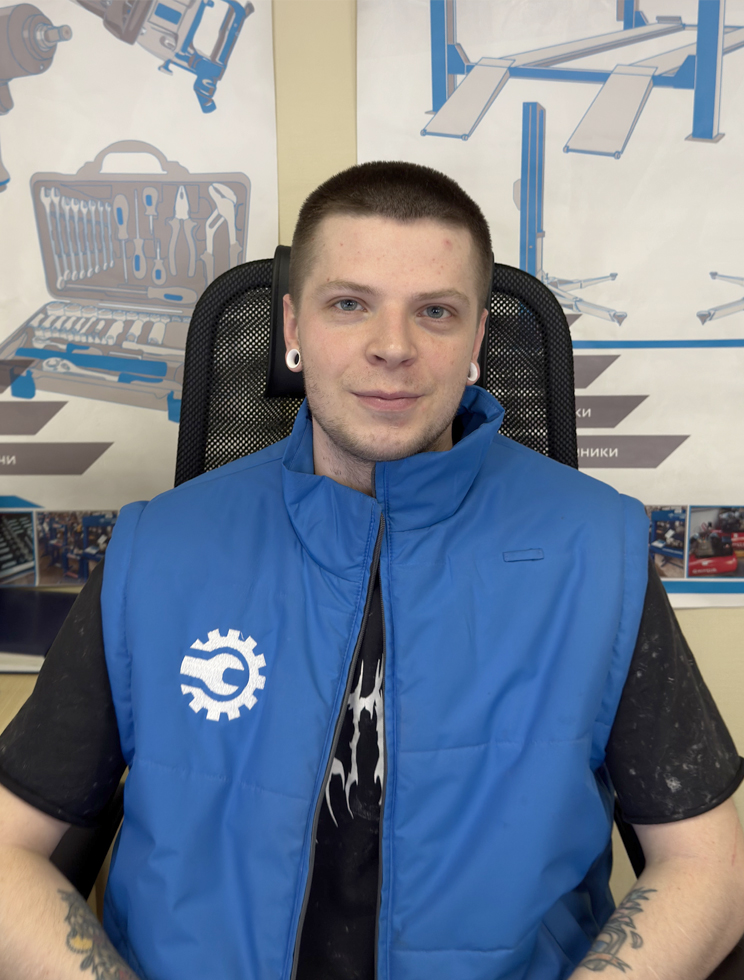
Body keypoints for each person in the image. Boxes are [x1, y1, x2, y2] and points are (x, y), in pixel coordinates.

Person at [0, 162, 742, 980]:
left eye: (435, 311)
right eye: (350, 304)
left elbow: (711, 865)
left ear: (476, 342)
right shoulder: (156, 552)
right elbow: (9, 852)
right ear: (293, 326)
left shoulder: (599, 553)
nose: (393, 347)